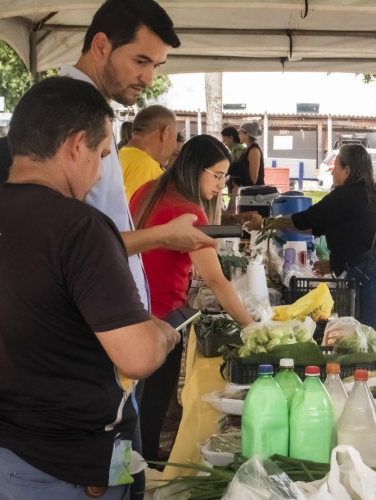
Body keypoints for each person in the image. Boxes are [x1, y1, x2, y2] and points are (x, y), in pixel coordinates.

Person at [0, 77, 180, 500]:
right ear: (75, 144)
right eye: (102, 155)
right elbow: (137, 356)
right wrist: (163, 334)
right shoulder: (79, 227)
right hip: (56, 468)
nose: (100, 171)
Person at [63, 0, 215, 313]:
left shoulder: (94, 111)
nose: (148, 78)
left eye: (155, 66)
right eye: (140, 61)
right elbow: (66, 243)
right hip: (91, 324)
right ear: (101, 45)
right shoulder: (68, 113)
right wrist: (164, 235)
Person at [130, 134, 254, 463]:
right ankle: (148, 469)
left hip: (134, 309)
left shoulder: (149, 190)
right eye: (216, 175)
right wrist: (251, 325)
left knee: (137, 402)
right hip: (164, 319)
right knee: (153, 403)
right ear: (195, 169)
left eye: (225, 177)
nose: (221, 184)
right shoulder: (187, 211)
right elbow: (216, 280)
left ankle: (137, 461)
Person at [245, 145, 376, 344]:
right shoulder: (362, 194)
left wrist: (265, 223)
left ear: (347, 170)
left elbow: (303, 220)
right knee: (362, 340)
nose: (332, 170)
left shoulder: (346, 195)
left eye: (335, 166)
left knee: (374, 344)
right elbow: (316, 228)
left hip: (375, 274)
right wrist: (334, 263)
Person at [121, 105, 178, 201]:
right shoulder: (148, 169)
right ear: (166, 133)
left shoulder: (117, 156)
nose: (175, 146)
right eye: (175, 138)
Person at [227, 121, 265, 212]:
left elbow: (253, 179)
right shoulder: (246, 149)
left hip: (254, 196)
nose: (238, 134)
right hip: (244, 192)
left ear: (246, 134)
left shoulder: (254, 150)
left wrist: (238, 186)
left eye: (240, 132)